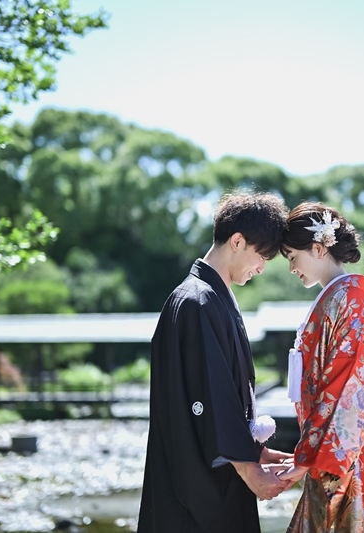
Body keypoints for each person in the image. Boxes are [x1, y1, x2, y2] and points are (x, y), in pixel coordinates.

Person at [138, 191, 293, 533]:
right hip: (197, 486)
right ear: (237, 241)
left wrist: (254, 451)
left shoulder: (209, 297)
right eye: (262, 256)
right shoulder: (197, 302)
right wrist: (249, 469)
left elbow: (225, 392)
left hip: (212, 470)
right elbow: (210, 396)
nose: (261, 268)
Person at [277, 202, 364, 533]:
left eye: (292, 256)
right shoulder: (342, 296)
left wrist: (308, 457)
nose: (291, 267)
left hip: (349, 453)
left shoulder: (351, 298)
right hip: (335, 448)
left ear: (318, 248)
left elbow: (349, 385)